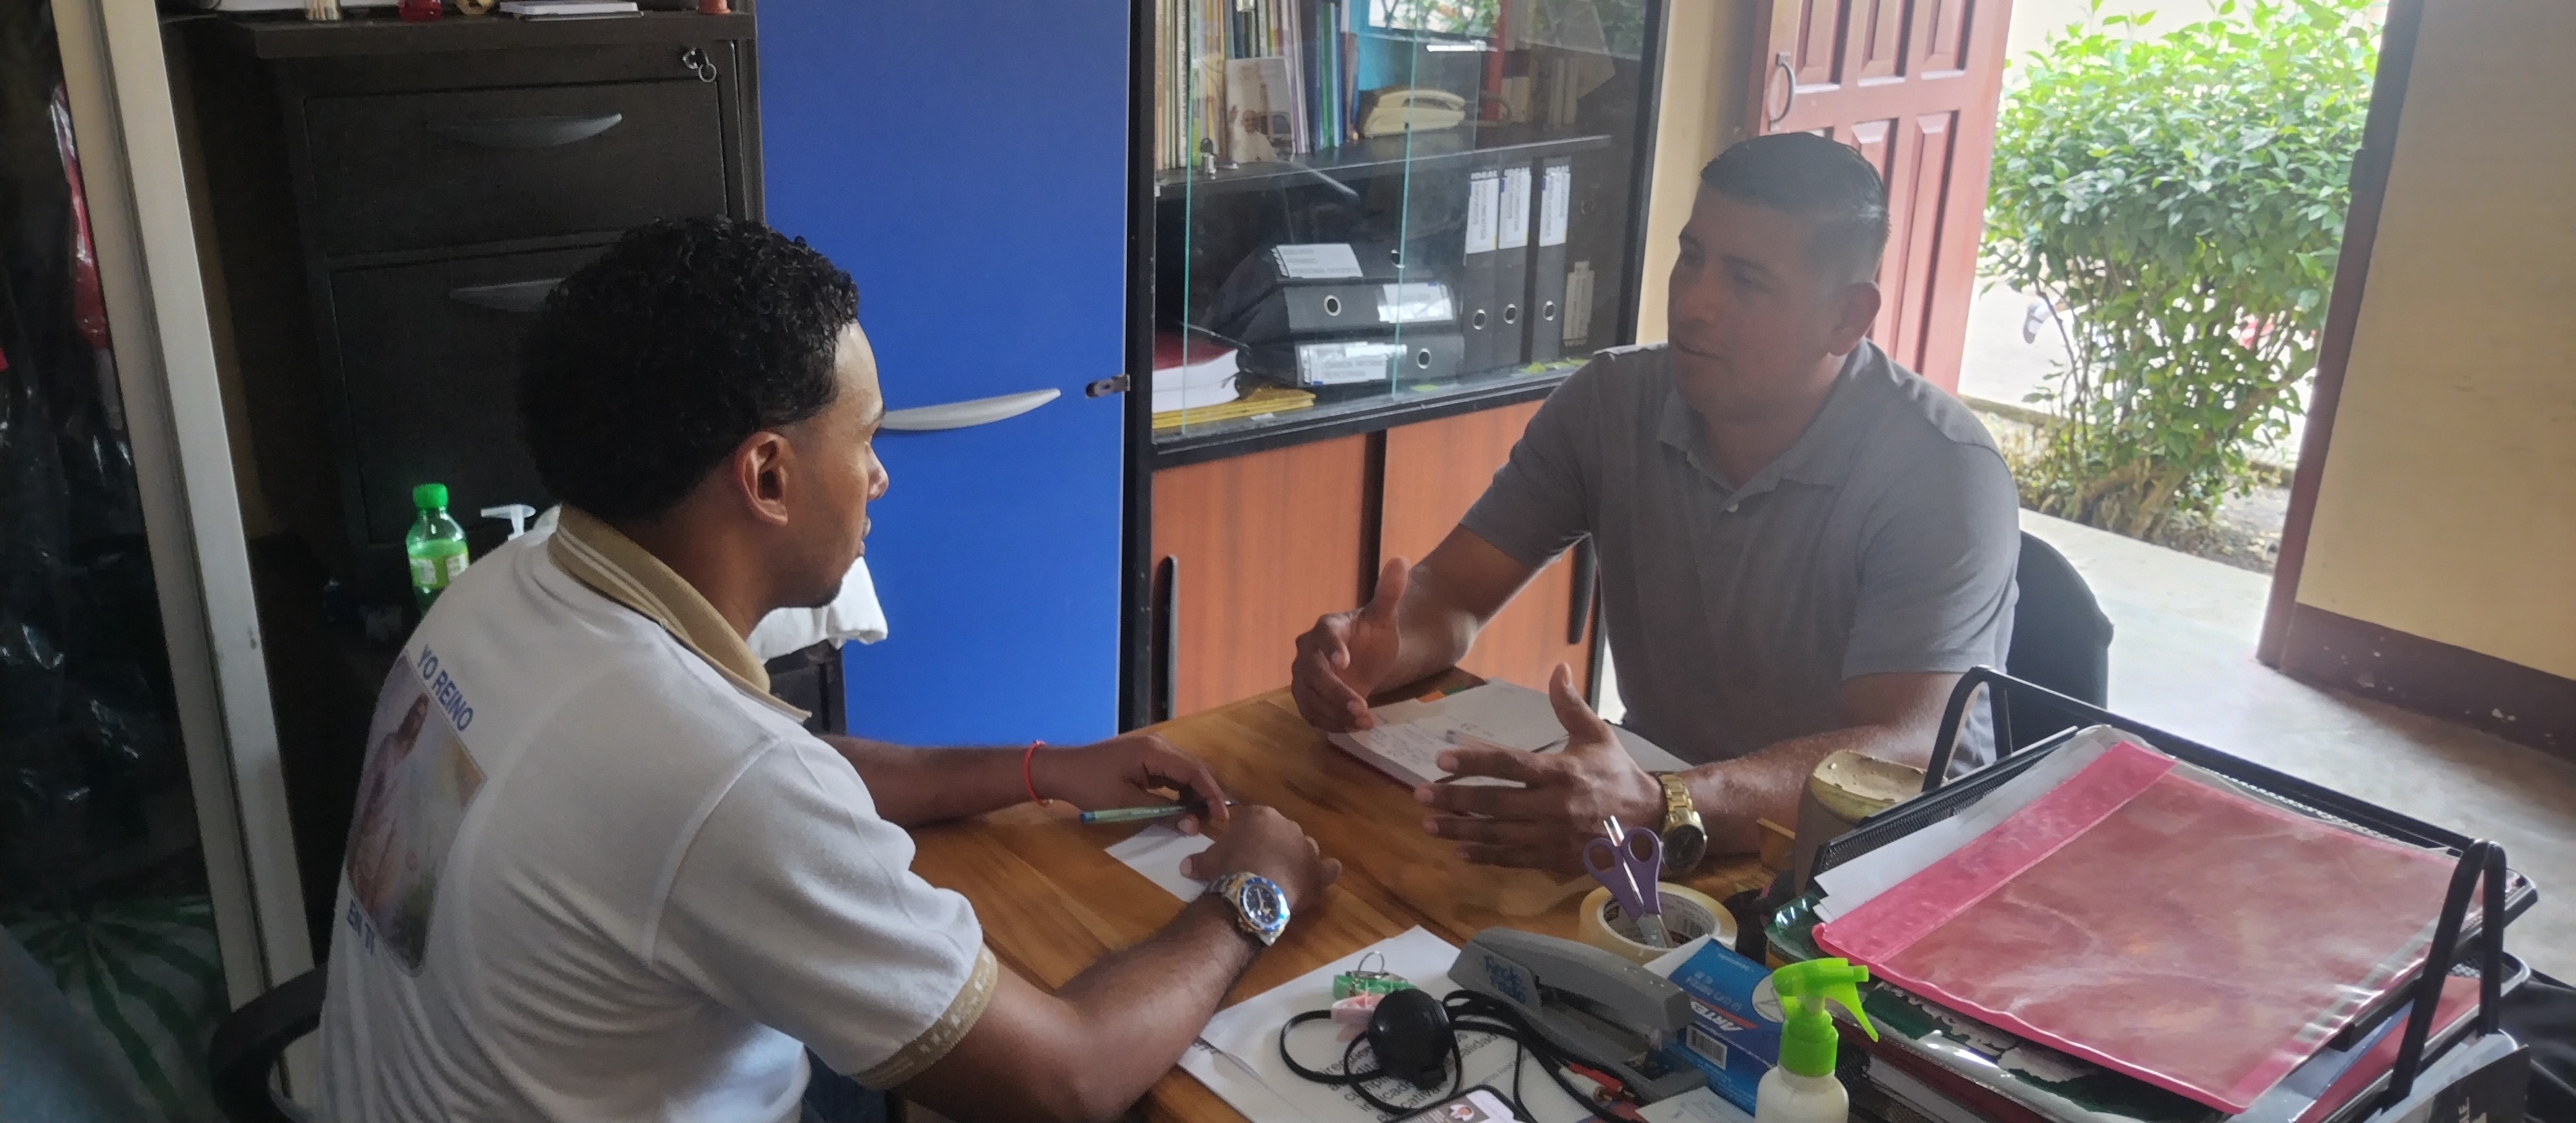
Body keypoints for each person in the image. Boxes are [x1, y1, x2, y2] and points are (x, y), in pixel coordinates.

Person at [316, 216, 1340, 1123]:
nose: (880, 476)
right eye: (866, 436)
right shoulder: (710, 773)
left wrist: (1043, 768)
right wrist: (1253, 892)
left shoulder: (509, 582)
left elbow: (766, 789)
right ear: (767, 475)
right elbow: (1066, 1077)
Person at [1291, 133, 2020, 874]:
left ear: (1847, 317)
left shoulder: (1940, 471)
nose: (1694, 303)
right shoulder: (1612, 401)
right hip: (1661, 833)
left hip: (1875, 875)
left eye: (1747, 281)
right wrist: (1374, 650)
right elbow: (1450, 595)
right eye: (1691, 256)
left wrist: (1666, 802)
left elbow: (1900, 752)